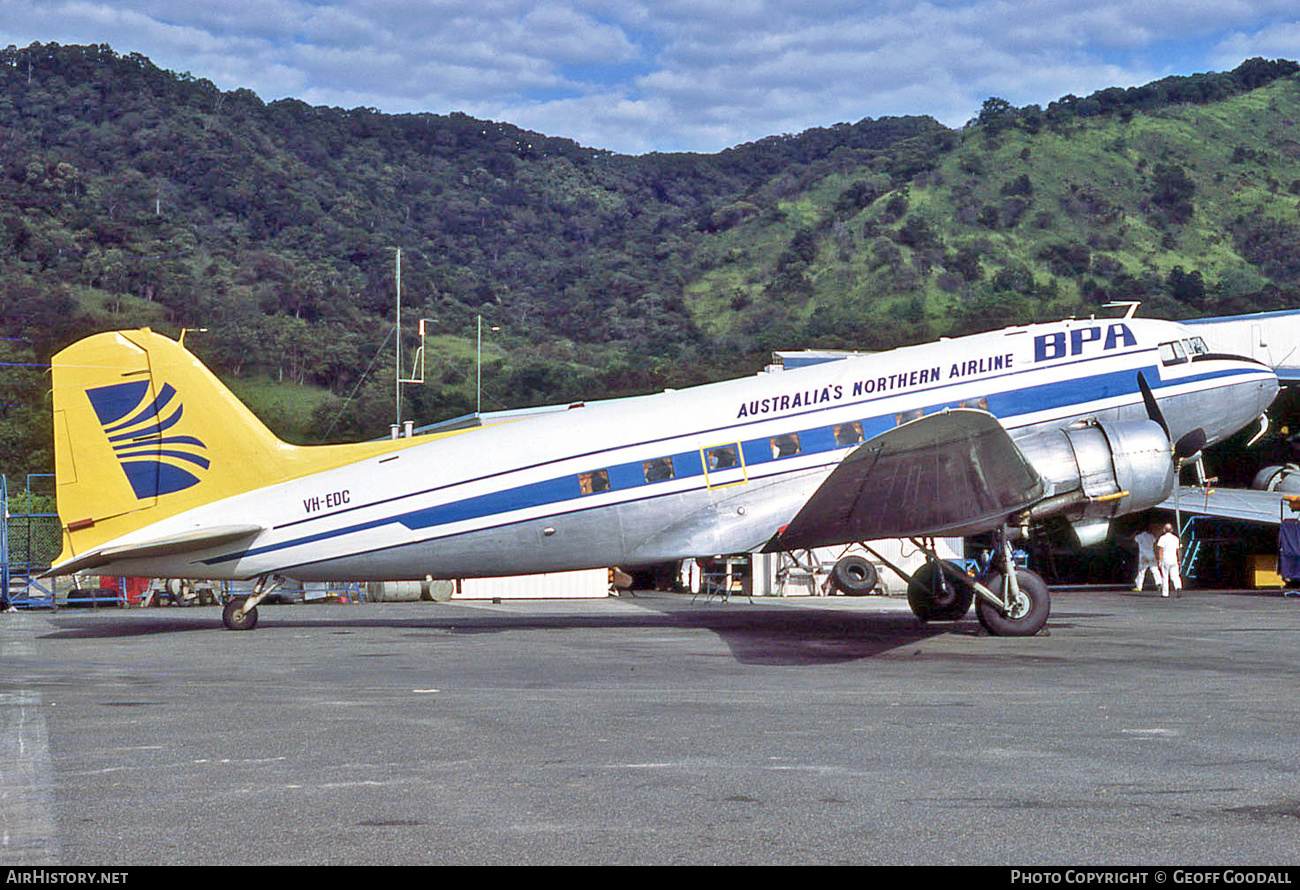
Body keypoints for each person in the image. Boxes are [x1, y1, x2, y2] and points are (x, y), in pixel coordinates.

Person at [1156, 523, 1182, 598]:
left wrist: (1159, 560)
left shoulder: (1162, 538)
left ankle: (1165, 593)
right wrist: (1179, 560)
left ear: (1164, 530)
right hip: (1174, 559)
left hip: (1165, 559)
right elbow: (1178, 550)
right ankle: (1178, 587)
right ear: (1172, 530)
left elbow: (1161, 550)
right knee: (1175, 575)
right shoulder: (1176, 538)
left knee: (1165, 576)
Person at [1133, 527, 1158, 591]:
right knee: (1155, 570)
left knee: (1141, 571)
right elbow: (1155, 542)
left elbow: (1134, 540)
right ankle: (1159, 583)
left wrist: (1134, 534)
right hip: (1151, 554)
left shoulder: (1139, 536)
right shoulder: (1151, 536)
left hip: (1143, 555)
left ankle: (1139, 586)